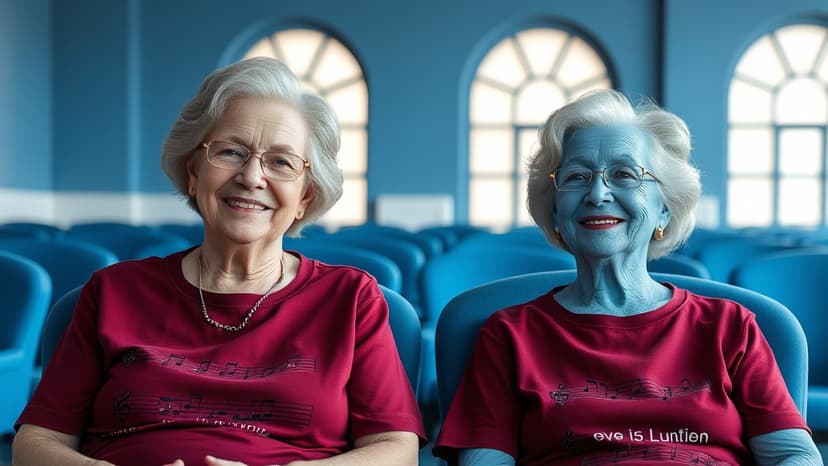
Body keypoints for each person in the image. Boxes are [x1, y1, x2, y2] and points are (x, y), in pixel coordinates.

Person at [13, 57, 424, 466]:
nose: (251, 176)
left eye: (280, 162)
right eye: (230, 151)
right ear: (193, 172)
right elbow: (36, 441)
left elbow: (395, 448)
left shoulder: (350, 298)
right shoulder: (113, 291)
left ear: (305, 197)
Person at [433, 89, 822, 465]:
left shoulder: (729, 327)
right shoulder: (509, 335)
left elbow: (792, 453)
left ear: (665, 210)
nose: (598, 193)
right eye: (576, 177)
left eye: (624, 174)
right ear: (554, 212)